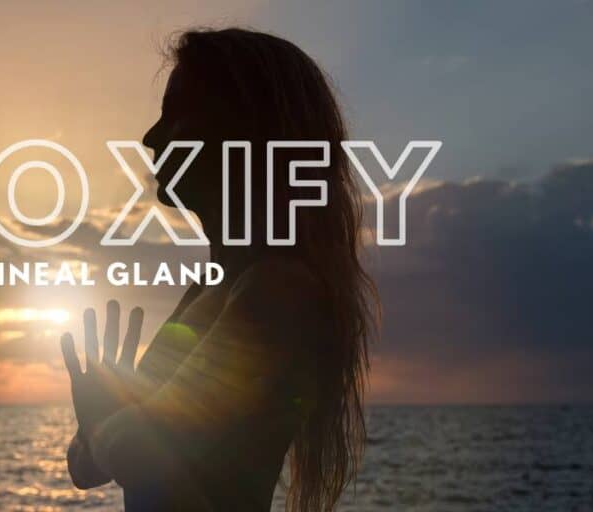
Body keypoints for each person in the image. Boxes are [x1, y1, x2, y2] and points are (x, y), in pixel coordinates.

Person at [60, 28, 378, 512]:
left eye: (178, 113)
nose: (150, 137)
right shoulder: (214, 286)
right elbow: (90, 467)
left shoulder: (278, 290)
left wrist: (109, 425)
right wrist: (97, 422)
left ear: (245, 131)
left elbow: (142, 451)